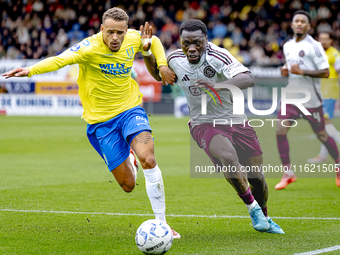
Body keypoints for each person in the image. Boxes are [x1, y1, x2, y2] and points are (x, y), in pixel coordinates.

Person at [2, 7, 180, 238]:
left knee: (149, 157)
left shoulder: (133, 38)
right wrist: (30, 70)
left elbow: (153, 40)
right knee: (128, 185)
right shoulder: (88, 47)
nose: (115, 38)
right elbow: (60, 60)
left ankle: (162, 224)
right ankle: (129, 157)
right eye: (110, 32)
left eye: (120, 32)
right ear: (101, 29)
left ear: (126, 30)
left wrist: (163, 64)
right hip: (101, 123)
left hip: (130, 110)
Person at [168, 19, 284, 234]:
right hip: (203, 122)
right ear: (180, 41)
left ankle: (265, 216)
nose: (191, 48)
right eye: (186, 43)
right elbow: (159, 74)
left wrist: (217, 87)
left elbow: (247, 79)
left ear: (206, 40)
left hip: (237, 120)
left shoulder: (218, 56)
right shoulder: (174, 58)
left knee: (257, 178)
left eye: (197, 43)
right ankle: (252, 208)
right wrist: (149, 57)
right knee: (228, 157)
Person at [276, 10, 340, 190]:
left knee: (322, 135)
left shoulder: (315, 46)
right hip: (291, 96)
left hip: (311, 100)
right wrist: (285, 69)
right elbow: (290, 66)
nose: (299, 24)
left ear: (308, 26)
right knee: (280, 130)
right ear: (292, 24)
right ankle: (288, 172)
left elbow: (326, 72)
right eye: (296, 21)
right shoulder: (287, 45)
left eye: (303, 22)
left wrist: (302, 72)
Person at [307, 32, 340, 186]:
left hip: (330, 92)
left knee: (325, 124)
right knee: (323, 124)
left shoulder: (335, 54)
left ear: (331, 40)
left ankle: (323, 154)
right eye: (321, 39)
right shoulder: (317, 53)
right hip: (320, 92)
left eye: (326, 39)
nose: (323, 41)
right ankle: (323, 154)